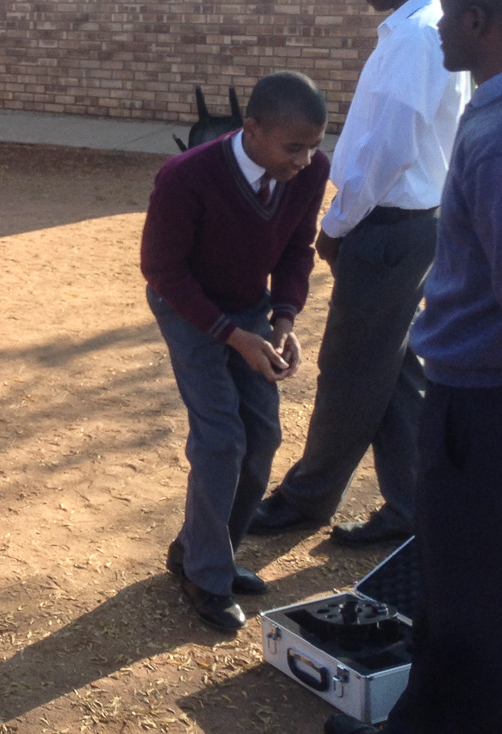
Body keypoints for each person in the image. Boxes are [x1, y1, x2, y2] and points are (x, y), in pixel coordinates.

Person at [326, 0, 502, 734]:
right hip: (483, 400)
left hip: (490, 410)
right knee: (456, 586)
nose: (440, 27)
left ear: (481, 21)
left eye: (450, 13)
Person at [253, 0, 470, 546]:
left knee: (351, 370)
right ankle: (412, 504)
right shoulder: (418, 30)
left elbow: (389, 150)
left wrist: (337, 223)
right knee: (393, 371)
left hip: (387, 228)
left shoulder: (417, 38)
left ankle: (306, 499)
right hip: (407, 226)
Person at [141, 72, 330, 633]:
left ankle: (204, 550)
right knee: (221, 439)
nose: (304, 160)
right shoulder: (186, 176)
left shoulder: (310, 171)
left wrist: (283, 319)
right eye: (293, 147)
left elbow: (297, 248)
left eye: (314, 145)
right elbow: (163, 270)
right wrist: (233, 336)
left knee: (263, 436)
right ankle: (205, 576)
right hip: (187, 305)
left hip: (250, 308)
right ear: (252, 130)